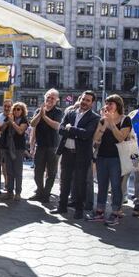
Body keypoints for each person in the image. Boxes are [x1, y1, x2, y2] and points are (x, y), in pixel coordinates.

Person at [50, 91, 99, 220]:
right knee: (64, 181)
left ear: (92, 103)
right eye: (83, 99)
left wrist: (70, 129)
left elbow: (86, 134)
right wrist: (73, 131)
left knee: (80, 183)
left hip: (81, 155)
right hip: (66, 152)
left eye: (88, 100)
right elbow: (60, 129)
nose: (84, 102)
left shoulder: (94, 117)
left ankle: (79, 209)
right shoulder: (70, 113)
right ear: (80, 99)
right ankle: (62, 206)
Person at [87, 94, 132, 226]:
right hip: (102, 156)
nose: (107, 106)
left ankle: (115, 212)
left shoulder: (125, 119)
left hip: (117, 158)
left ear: (118, 105)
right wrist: (103, 125)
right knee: (102, 185)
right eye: (106, 103)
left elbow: (120, 138)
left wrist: (112, 123)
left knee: (116, 186)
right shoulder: (103, 120)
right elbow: (95, 138)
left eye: (111, 103)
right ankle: (100, 211)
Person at [29, 89, 63, 203]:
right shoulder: (39, 110)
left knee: (51, 172)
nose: (49, 99)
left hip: (53, 146)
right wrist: (40, 114)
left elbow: (56, 126)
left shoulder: (58, 112)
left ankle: (46, 194)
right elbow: (32, 124)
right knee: (38, 171)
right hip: (40, 146)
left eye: (52, 98)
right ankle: (40, 191)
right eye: (48, 97)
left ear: (57, 100)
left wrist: (45, 117)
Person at [0, 102, 29, 201]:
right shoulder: (9, 118)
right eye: (15, 109)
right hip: (8, 147)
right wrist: (8, 122)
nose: (16, 111)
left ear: (22, 111)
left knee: (17, 171)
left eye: (18, 109)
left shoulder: (24, 120)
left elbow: (20, 131)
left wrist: (12, 123)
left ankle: (18, 192)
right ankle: (9, 192)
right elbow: (1, 129)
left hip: (18, 148)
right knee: (9, 171)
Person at [0, 99, 13, 193]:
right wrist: (7, 122)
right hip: (1, 144)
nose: (6, 108)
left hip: (12, 145)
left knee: (10, 167)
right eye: (5, 106)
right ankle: (6, 184)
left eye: (9, 106)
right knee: (3, 166)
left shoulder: (14, 116)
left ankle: (9, 185)